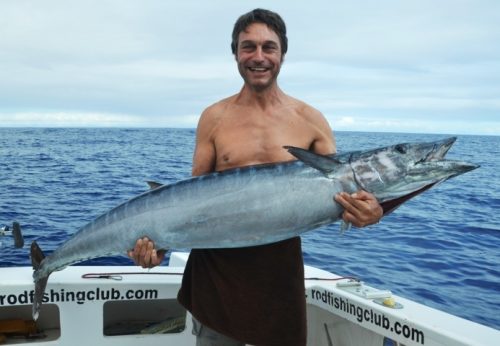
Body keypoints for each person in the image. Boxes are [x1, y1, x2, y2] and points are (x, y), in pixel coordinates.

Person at [128, 8, 383, 346]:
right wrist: (157, 247)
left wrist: (371, 214)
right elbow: (190, 203)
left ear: (282, 54)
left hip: (279, 281)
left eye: (269, 47)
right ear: (235, 53)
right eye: (248, 47)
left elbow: (340, 196)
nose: (258, 57)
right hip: (215, 281)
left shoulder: (311, 120)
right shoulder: (214, 117)